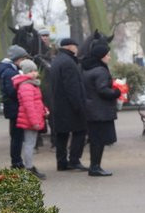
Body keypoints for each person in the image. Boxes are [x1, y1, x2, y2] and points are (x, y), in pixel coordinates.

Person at [81, 44, 121, 176]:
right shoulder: (101, 70)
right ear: (101, 56)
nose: (109, 57)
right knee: (99, 140)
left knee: (95, 140)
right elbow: (102, 90)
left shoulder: (87, 68)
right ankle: (95, 167)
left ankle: (94, 166)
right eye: (107, 55)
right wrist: (116, 92)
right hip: (100, 111)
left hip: (91, 109)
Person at [50, 38, 88, 171]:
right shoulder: (68, 62)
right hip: (70, 106)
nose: (77, 49)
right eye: (75, 46)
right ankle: (74, 160)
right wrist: (79, 105)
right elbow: (72, 87)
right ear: (70, 46)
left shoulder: (57, 60)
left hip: (58, 104)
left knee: (62, 134)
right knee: (80, 131)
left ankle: (61, 162)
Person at [13, 59, 48, 179]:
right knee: (29, 144)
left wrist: (44, 110)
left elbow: (37, 102)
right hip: (30, 120)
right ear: (25, 72)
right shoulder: (27, 86)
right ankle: (29, 168)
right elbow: (29, 106)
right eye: (30, 71)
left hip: (33, 118)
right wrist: (35, 122)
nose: (34, 73)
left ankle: (29, 167)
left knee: (30, 143)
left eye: (35, 70)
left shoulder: (31, 84)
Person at [0, 45, 30, 168]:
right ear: (18, 59)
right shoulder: (10, 72)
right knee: (17, 137)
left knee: (16, 136)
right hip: (15, 108)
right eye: (23, 59)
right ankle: (16, 162)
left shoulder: (7, 70)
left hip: (12, 108)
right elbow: (12, 91)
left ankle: (16, 161)